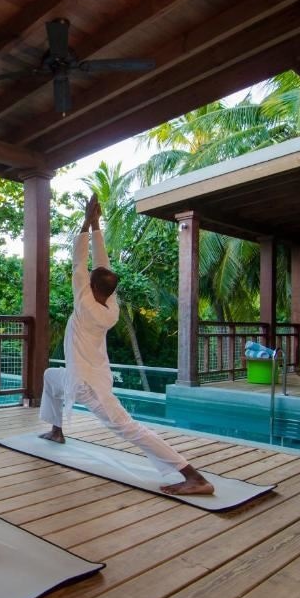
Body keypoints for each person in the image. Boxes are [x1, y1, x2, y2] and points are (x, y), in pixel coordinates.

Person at [39, 195, 214, 496]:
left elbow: (79, 261)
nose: (86, 277)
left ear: (91, 287)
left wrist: (86, 221)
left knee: (127, 428)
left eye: (89, 279)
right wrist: (96, 225)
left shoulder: (84, 304)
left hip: (88, 385)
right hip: (86, 376)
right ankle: (57, 430)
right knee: (50, 377)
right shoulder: (110, 306)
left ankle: (191, 474)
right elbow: (102, 265)